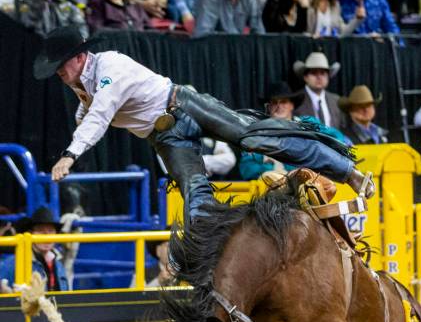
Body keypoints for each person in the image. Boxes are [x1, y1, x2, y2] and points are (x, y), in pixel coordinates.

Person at [36, 27, 374, 231]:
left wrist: (71, 153)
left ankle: (346, 170)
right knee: (193, 191)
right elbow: (89, 111)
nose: (57, 73)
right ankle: (215, 255)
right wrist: (80, 126)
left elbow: (101, 113)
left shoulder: (111, 65)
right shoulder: (80, 81)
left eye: (59, 66)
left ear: (78, 58)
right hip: (165, 134)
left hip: (183, 104)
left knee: (252, 136)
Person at [239, 81, 349, 180]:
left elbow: (336, 138)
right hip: (271, 191)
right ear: (269, 107)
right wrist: (270, 170)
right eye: (274, 102)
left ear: (292, 105)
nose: (279, 106)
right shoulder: (258, 134)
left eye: (283, 102)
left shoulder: (307, 124)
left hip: (308, 186)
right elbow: (246, 168)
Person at [293, 51, 345, 130]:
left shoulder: (336, 100)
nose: (319, 77)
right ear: (305, 77)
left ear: (328, 77)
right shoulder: (296, 100)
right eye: (314, 73)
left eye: (323, 73)